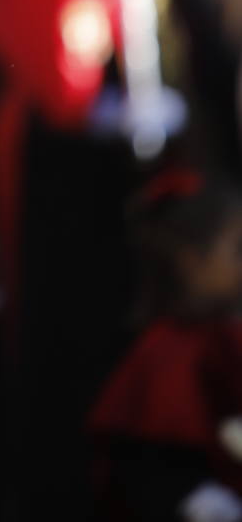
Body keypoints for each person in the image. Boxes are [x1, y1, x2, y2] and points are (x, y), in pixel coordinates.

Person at [89, 171, 242, 522]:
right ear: (192, 261)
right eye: (236, 250)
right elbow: (149, 470)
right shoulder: (164, 354)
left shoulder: (223, 334)